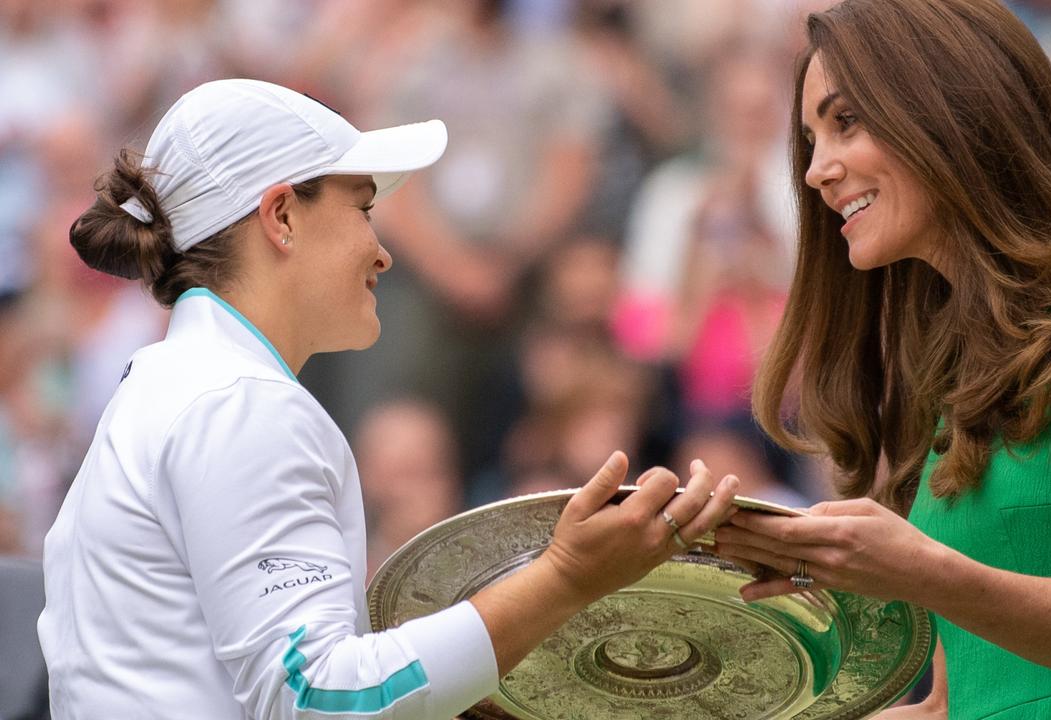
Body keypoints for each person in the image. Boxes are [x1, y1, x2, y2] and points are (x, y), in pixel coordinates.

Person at [37, 78, 740, 720]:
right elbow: (316, 698)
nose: (383, 251)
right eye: (364, 207)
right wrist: (564, 578)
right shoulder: (239, 403)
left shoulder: (177, 385)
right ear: (281, 216)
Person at [711, 2, 1051, 719]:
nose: (816, 171)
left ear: (948, 109)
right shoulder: (960, 374)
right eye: (810, 139)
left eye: (846, 122)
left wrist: (920, 571)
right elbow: (952, 708)